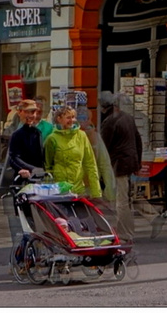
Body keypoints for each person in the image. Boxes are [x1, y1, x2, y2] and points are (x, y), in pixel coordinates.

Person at [0, 99, 47, 243]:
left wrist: (42, 171)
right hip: (22, 181)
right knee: (24, 220)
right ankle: (23, 254)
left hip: (37, 180)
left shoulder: (37, 133)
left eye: (33, 112)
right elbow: (14, 157)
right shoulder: (17, 135)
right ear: (20, 113)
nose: (31, 115)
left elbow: (40, 157)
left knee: (38, 218)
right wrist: (25, 169)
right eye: (28, 112)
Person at [99, 93, 144, 237]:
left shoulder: (109, 122)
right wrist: (138, 162)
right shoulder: (127, 117)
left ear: (103, 107)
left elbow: (104, 147)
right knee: (125, 199)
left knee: (121, 201)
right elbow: (138, 141)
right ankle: (127, 230)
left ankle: (124, 233)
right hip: (129, 161)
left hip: (119, 163)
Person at [40, 104, 101, 198]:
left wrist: (96, 192)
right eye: (68, 117)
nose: (72, 120)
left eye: (73, 117)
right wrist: (48, 193)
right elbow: (48, 167)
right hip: (59, 191)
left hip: (79, 191)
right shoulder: (52, 139)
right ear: (59, 119)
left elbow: (90, 164)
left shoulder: (82, 135)